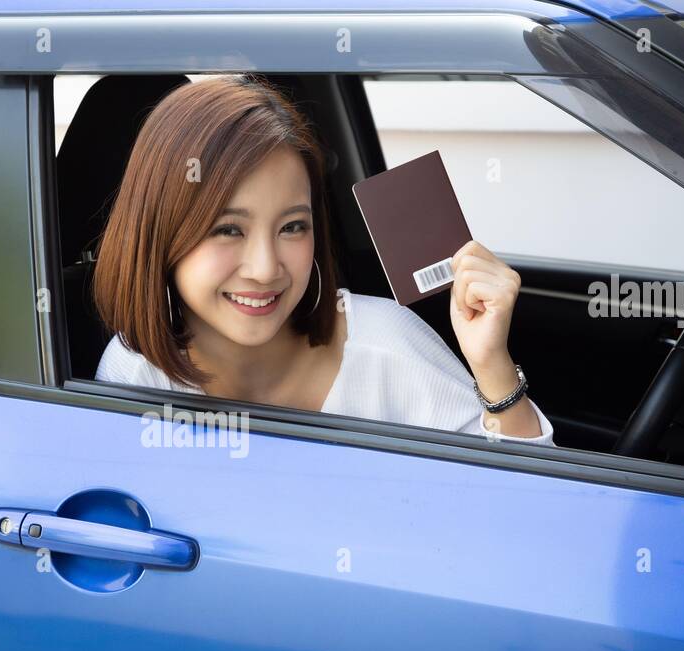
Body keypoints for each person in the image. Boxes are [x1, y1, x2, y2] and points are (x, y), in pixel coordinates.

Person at [91, 74, 556, 447]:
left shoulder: (387, 347)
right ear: (161, 235)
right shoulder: (137, 373)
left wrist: (493, 366)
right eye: (227, 229)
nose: (265, 268)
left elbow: (534, 512)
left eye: (293, 226)